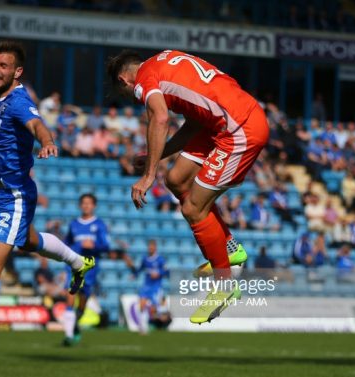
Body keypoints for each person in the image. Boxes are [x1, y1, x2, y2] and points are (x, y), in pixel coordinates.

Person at [0, 41, 94, 377]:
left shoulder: (19, 101)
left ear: (17, 71)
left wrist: (48, 141)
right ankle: (77, 261)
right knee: (27, 241)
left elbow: (37, 125)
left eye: (3, 65)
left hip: (15, 197)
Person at [107, 50, 268, 323]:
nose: (133, 98)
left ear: (124, 79)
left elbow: (159, 118)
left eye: (126, 94)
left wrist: (149, 174)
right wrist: (160, 155)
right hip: (222, 121)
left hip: (238, 129)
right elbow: (195, 121)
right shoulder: (165, 60)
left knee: (193, 208)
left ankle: (224, 286)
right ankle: (229, 248)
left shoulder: (145, 81)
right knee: (176, 179)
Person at [61, 193, 110, 346]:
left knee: (82, 301)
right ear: (80, 205)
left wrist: (94, 246)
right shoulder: (74, 224)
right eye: (83, 203)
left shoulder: (99, 224)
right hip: (73, 265)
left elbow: (106, 246)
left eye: (89, 203)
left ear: (94, 206)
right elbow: (66, 243)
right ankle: (68, 336)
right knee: (70, 295)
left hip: (90, 268)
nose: (86, 206)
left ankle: (74, 325)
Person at [127, 240, 168, 335]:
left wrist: (158, 273)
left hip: (156, 286)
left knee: (153, 309)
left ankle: (161, 319)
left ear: (155, 248)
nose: (150, 248)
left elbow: (167, 271)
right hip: (146, 285)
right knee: (141, 305)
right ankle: (143, 327)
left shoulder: (160, 260)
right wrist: (134, 275)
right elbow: (140, 269)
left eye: (152, 247)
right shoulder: (145, 259)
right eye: (149, 247)